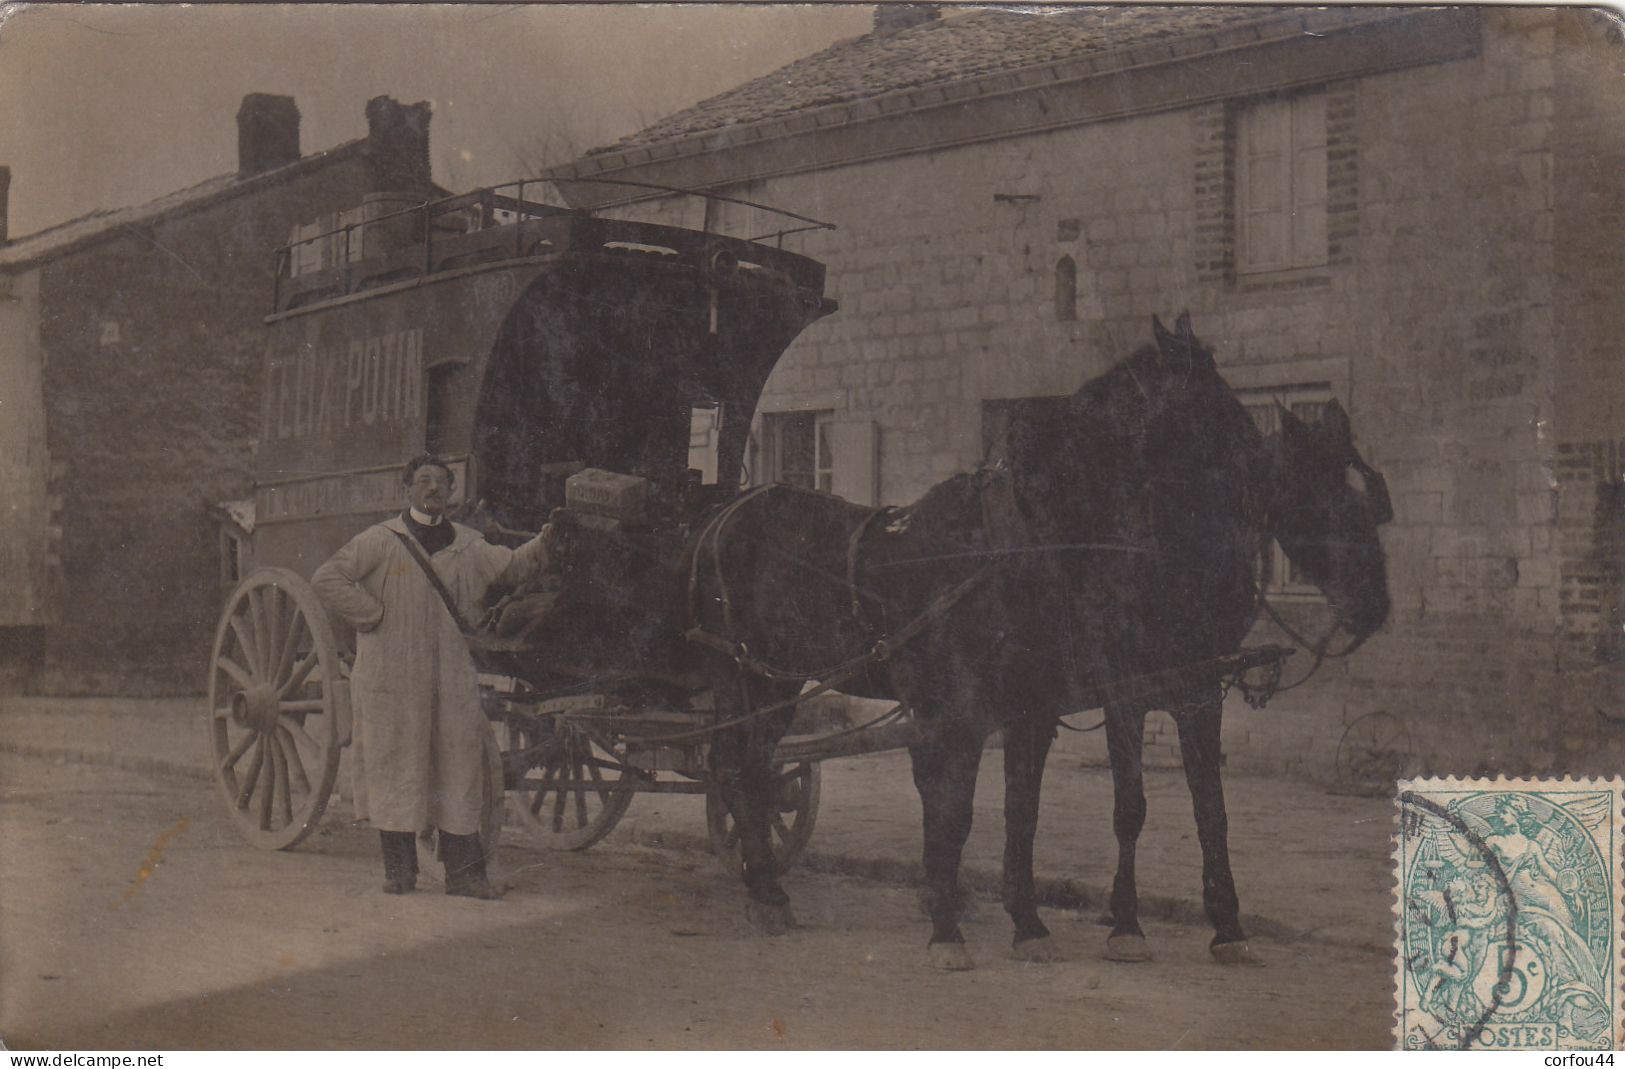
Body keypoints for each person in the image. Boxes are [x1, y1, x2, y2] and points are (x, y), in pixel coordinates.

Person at [312, 453, 552, 898]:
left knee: (459, 763)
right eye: (424, 481)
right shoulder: (381, 540)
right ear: (408, 490)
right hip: (391, 671)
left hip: (449, 671)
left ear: (451, 492)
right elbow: (328, 579)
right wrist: (372, 613)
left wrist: (547, 539)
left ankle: (465, 876)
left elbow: (514, 567)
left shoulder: (467, 543)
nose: (433, 489)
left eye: (441, 482)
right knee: (395, 763)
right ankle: (399, 871)